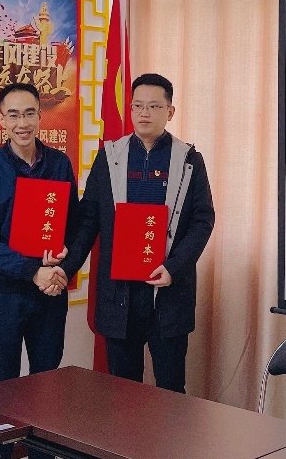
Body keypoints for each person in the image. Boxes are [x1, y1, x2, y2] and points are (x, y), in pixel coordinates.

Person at [71, 73, 215, 392]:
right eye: (137, 106)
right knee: (123, 394)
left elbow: (203, 220)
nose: (144, 113)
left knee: (171, 391)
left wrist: (174, 267)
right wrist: (65, 268)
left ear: (170, 112)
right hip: (119, 295)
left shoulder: (189, 159)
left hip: (167, 291)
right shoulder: (110, 157)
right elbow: (89, 218)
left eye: (153, 106)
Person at [0, 82, 86, 384]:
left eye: (29, 113)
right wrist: (33, 272)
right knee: (3, 384)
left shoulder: (59, 164)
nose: (22, 123)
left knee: (47, 383)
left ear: (40, 117)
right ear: (2, 120)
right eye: (14, 115)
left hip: (50, 293)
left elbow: (73, 226)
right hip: (7, 294)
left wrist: (63, 262)